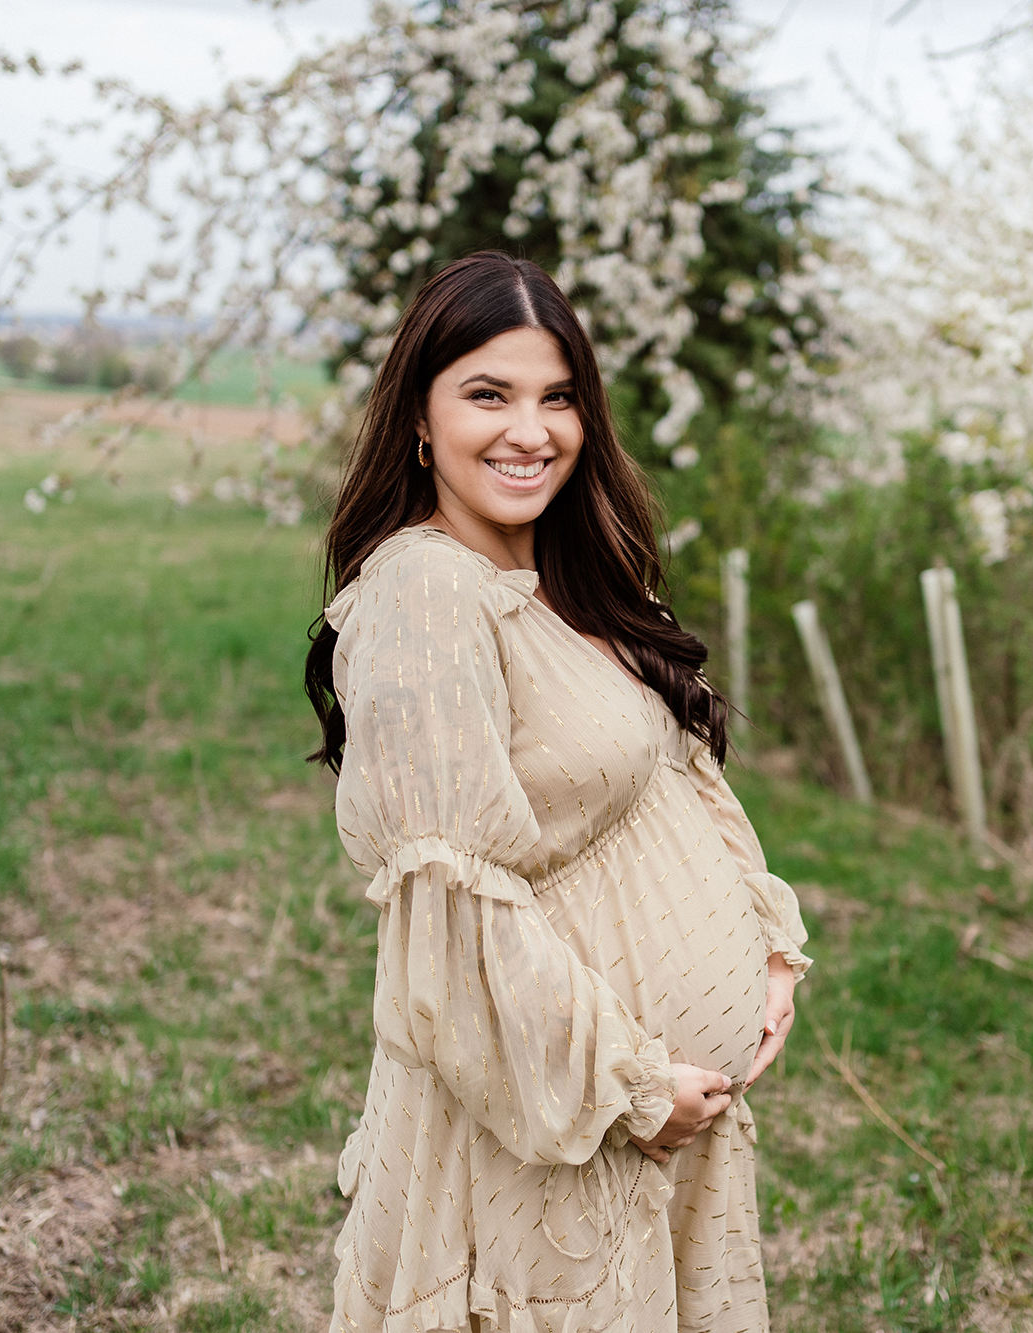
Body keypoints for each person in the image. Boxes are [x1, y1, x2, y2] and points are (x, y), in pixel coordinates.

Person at [305, 251, 812, 1333]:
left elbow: (675, 771)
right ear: (418, 421)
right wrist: (628, 1086)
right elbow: (450, 912)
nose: (529, 430)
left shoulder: (564, 578)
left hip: (646, 1123)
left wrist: (765, 940)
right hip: (551, 1123)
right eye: (487, 394)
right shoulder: (427, 596)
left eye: (557, 397)